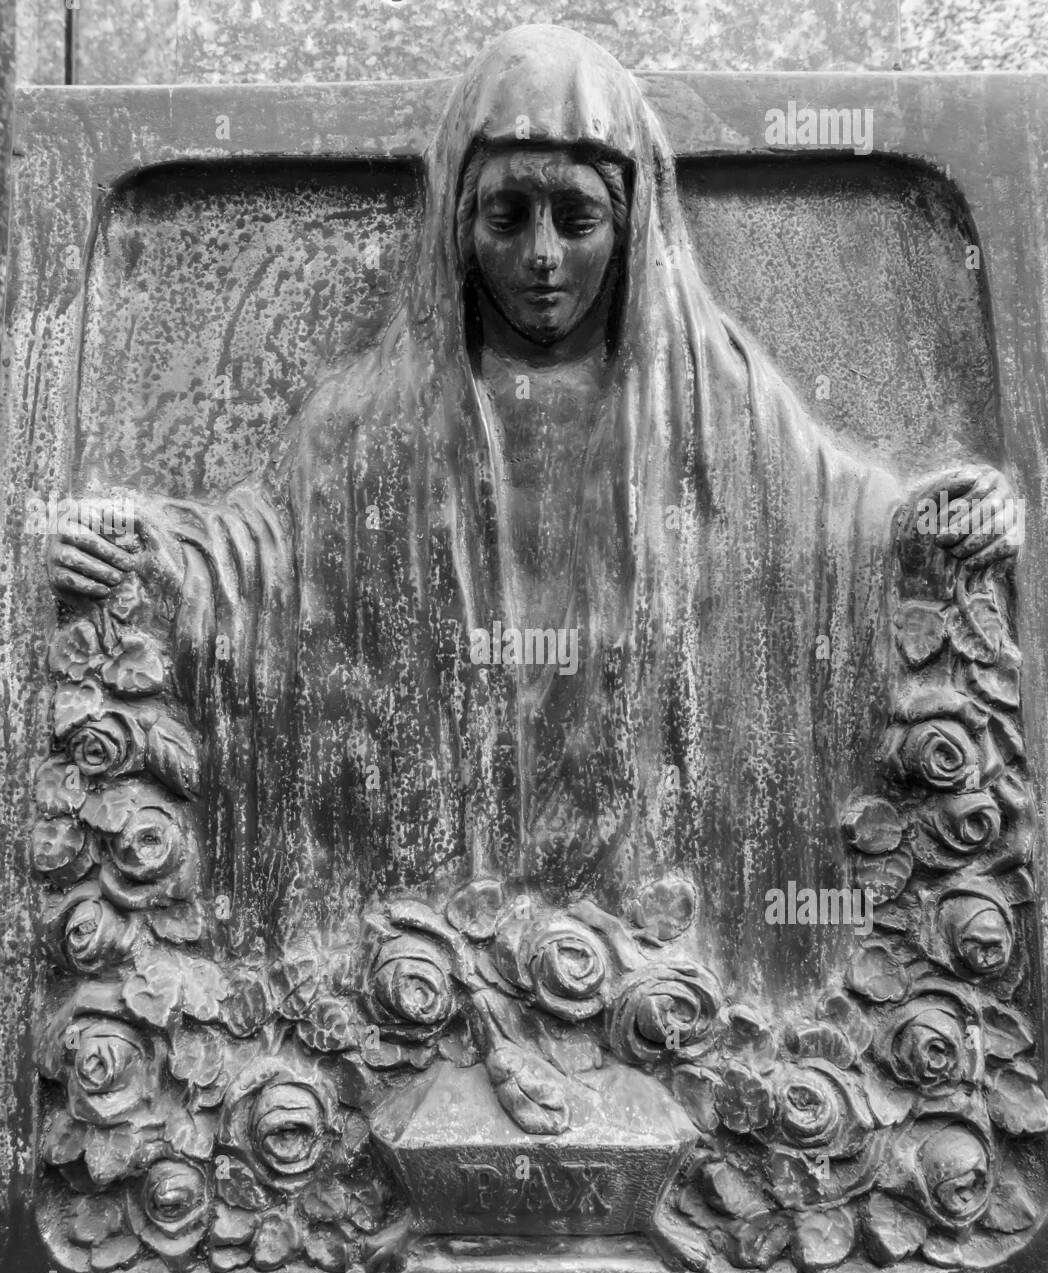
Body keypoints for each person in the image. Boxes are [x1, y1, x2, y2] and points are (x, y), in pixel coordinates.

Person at [45, 25, 1018, 993]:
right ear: (458, 228)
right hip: (444, 881)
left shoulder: (708, 398)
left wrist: (940, 529)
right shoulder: (376, 416)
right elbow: (266, 561)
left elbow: (834, 523)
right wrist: (139, 557)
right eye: (507, 216)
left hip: (647, 858)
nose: (542, 256)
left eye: (576, 217)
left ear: (632, 224)